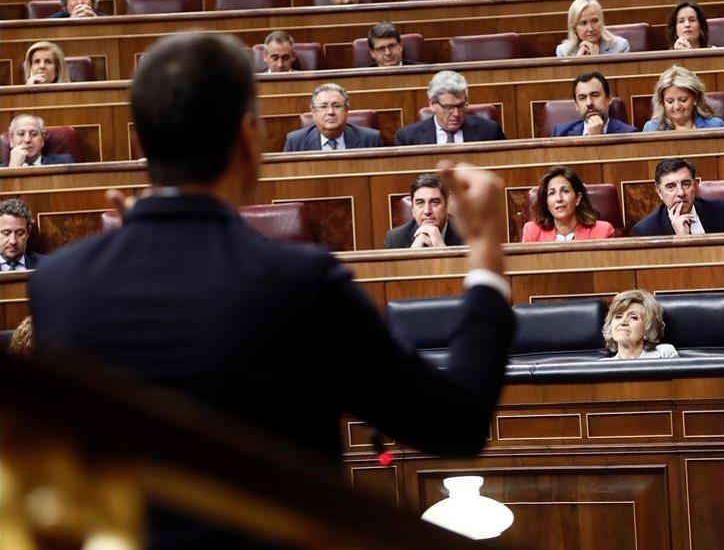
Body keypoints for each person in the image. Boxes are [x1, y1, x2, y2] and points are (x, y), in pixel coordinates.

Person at [28, 31, 516, 548]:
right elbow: (457, 423)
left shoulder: (61, 285)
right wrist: (485, 254)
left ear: (144, 144)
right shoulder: (301, 283)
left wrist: (148, 247)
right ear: (247, 139)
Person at [632, 158, 724, 237]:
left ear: (695, 186)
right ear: (659, 192)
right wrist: (682, 240)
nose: (681, 193)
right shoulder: (646, 230)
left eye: (686, 184)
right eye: (671, 187)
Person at [395, 70, 506, 145]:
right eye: (448, 107)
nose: (456, 114)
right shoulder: (408, 138)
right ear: (432, 104)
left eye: (460, 106)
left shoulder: (490, 131)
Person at [522, 166, 616, 242]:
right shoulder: (532, 232)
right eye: (551, 193)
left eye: (565, 191)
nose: (559, 199)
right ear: (546, 202)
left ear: (578, 198)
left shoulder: (603, 232)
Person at [283, 83, 381, 152]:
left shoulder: (370, 139)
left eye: (337, 106)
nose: (330, 112)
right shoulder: (295, 142)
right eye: (323, 106)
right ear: (313, 112)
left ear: (346, 110)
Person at [384, 173, 464, 249]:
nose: (427, 211)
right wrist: (412, 254)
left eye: (434, 202)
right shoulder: (395, 240)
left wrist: (443, 249)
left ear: (447, 206)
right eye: (420, 203)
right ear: (412, 209)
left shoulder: (467, 235)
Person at [551, 71, 638, 136]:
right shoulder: (560, 133)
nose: (589, 103)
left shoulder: (629, 134)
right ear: (576, 105)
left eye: (595, 95)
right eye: (582, 98)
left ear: (608, 98)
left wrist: (597, 139)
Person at [642, 65, 724, 131]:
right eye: (670, 101)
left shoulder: (715, 126)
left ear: (695, 98)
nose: (676, 107)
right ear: (663, 101)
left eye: (683, 100)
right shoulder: (651, 128)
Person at [602, 290, 678, 359]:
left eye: (634, 317)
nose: (623, 322)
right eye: (618, 316)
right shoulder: (602, 366)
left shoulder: (664, 354)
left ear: (647, 330)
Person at [556, 0, 632, 56]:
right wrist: (578, 62)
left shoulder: (620, 47)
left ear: (601, 21)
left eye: (595, 21)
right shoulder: (564, 52)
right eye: (583, 23)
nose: (590, 29)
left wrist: (596, 59)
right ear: (574, 27)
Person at [6, 114, 75, 167]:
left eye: (34, 134)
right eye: (21, 134)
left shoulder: (64, 162)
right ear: (11, 140)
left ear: (42, 139)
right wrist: (13, 168)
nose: (27, 140)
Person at [0, 199, 40, 272]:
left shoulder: (47, 266)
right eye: (6, 233)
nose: (13, 241)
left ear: (28, 231)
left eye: (20, 233)